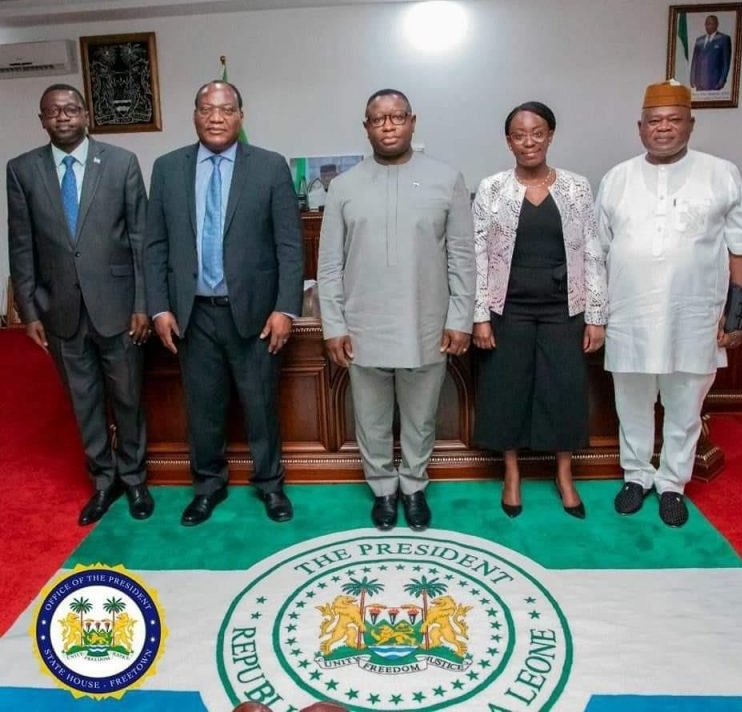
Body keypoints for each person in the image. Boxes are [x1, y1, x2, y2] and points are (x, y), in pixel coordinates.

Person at [596, 80, 742, 527]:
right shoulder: (617, 178)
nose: (663, 128)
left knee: (685, 405)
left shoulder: (721, 173)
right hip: (629, 315)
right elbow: (598, 252)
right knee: (631, 402)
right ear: (640, 127)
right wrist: (596, 315)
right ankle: (636, 476)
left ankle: (672, 484)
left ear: (691, 123)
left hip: (695, 316)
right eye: (654, 121)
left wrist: (739, 313)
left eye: (673, 120)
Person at [144, 80, 303, 526]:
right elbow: (155, 245)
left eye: (226, 109)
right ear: (194, 114)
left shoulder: (269, 167)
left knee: (260, 406)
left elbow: (290, 245)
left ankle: (271, 485)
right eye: (207, 109)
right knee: (203, 408)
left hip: (254, 316)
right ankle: (208, 486)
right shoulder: (168, 168)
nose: (216, 117)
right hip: (192, 315)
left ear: (240, 116)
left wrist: (285, 308)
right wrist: (159, 307)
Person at [317, 88, 475, 531]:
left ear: (413, 121)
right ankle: (384, 490)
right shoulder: (344, 187)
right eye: (378, 119)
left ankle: (414, 486)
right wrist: (334, 324)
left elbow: (462, 256)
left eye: (397, 117)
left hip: (426, 322)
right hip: (363, 325)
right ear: (366, 127)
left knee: (422, 417)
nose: (388, 126)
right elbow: (329, 263)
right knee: (369, 417)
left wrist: (460, 318)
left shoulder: (447, 179)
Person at [7, 83, 154, 526]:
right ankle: (103, 481)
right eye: (53, 111)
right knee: (82, 399)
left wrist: (143, 303)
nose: (63, 116)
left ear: (87, 114)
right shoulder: (21, 170)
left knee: (127, 396)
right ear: (42, 120)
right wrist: (29, 311)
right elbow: (21, 244)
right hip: (59, 310)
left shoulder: (121, 163)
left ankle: (134, 479)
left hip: (119, 305)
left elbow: (140, 240)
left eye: (71, 109)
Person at [472, 101, 607, 520]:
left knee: (564, 388)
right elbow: (476, 253)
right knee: (506, 387)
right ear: (508, 140)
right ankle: (511, 473)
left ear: (550, 135)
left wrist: (596, 314)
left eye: (537, 132)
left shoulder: (577, 187)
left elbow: (593, 251)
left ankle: (563, 474)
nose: (528, 141)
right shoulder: (492, 188)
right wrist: (479, 314)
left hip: (563, 308)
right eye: (519, 134)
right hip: (505, 308)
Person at [690, 14, 732, 91]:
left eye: (712, 24)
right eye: (708, 24)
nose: (709, 26)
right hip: (699, 82)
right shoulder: (699, 40)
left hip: (714, 82)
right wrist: (692, 78)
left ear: (717, 25)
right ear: (705, 25)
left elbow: (726, 63)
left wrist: (721, 82)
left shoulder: (724, 39)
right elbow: (694, 61)